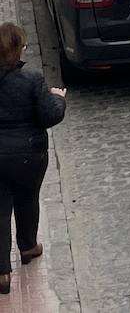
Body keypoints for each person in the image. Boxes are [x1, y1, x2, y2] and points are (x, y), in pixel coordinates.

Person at [0, 23, 66, 296]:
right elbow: (50, 116)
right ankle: (27, 246)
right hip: (28, 154)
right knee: (27, 199)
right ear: (18, 50)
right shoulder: (32, 80)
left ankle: (2, 273)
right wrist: (58, 99)